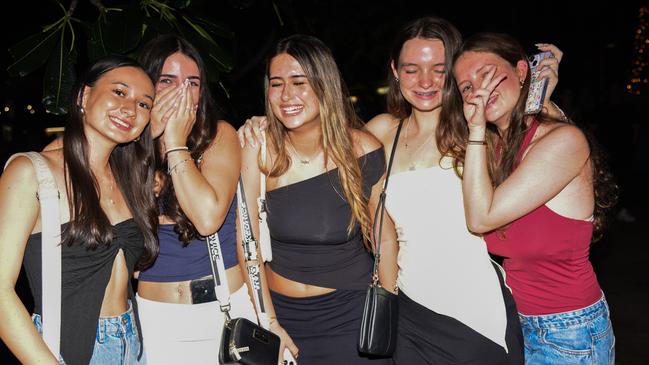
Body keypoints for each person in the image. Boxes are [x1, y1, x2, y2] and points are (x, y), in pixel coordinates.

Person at [238, 17, 570, 364]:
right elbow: (327, 154)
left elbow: (544, 149)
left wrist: (540, 97)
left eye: (438, 69)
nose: (425, 81)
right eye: (412, 69)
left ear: (455, 72)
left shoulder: (480, 133)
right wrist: (262, 124)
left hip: (472, 308)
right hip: (406, 307)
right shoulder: (381, 133)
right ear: (395, 71)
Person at [449, 32, 617, 364]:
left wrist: (477, 129)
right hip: (519, 324)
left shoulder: (562, 141)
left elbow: (480, 218)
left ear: (521, 71)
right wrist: (538, 98)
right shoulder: (499, 150)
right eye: (467, 87)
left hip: (569, 331)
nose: (478, 89)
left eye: (486, 73)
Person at [238, 34, 389, 364]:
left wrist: (386, 311)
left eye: (299, 82)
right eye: (276, 84)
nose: (287, 95)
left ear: (324, 84)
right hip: (281, 316)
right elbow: (247, 243)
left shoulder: (362, 149)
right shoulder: (258, 148)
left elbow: (386, 240)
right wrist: (270, 322)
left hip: (349, 317)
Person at [0, 55, 158, 364]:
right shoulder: (30, 172)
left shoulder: (131, 181)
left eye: (144, 104)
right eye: (120, 92)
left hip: (133, 341)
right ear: (84, 96)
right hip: (66, 350)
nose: (130, 108)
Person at [133, 34, 258, 364]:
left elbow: (207, 218)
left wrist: (174, 142)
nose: (181, 92)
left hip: (223, 311)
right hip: (154, 319)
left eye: (192, 82)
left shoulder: (218, 136)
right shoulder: (126, 149)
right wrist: (146, 138)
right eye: (167, 81)